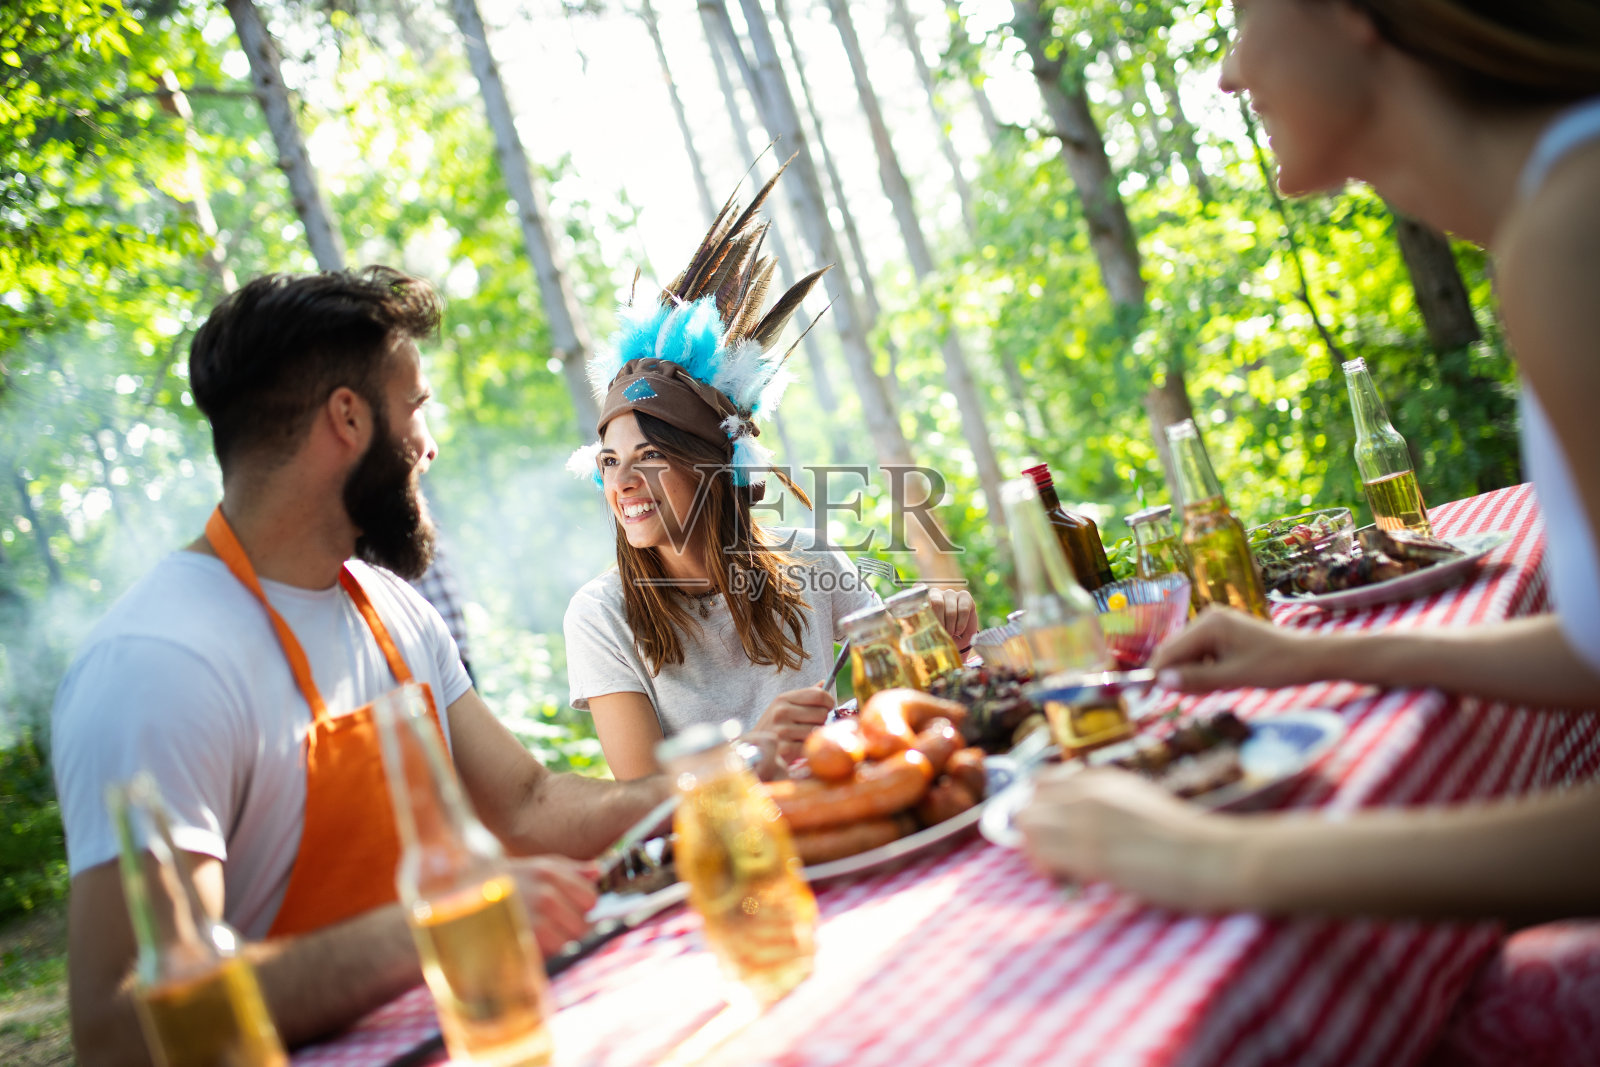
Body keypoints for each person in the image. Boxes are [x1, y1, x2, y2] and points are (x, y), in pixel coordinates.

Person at [1017, 0, 1600, 919]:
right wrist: (1312, 654)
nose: (1228, 74)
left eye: (1243, 18)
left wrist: (1216, 858)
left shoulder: (1575, 234)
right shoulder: (1555, 212)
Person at [51, 267, 672, 1064]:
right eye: (415, 408)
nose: (430, 443)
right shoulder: (154, 668)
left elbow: (527, 803)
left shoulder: (389, 605)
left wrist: (703, 786)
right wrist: (438, 928)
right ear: (347, 418)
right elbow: (122, 1023)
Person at [564, 171, 977, 780]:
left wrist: (944, 632)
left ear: (714, 465)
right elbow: (641, 795)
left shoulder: (808, 559)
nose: (621, 482)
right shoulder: (602, 615)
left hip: (841, 801)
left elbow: (902, 683)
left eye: (650, 456)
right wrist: (753, 748)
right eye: (609, 462)